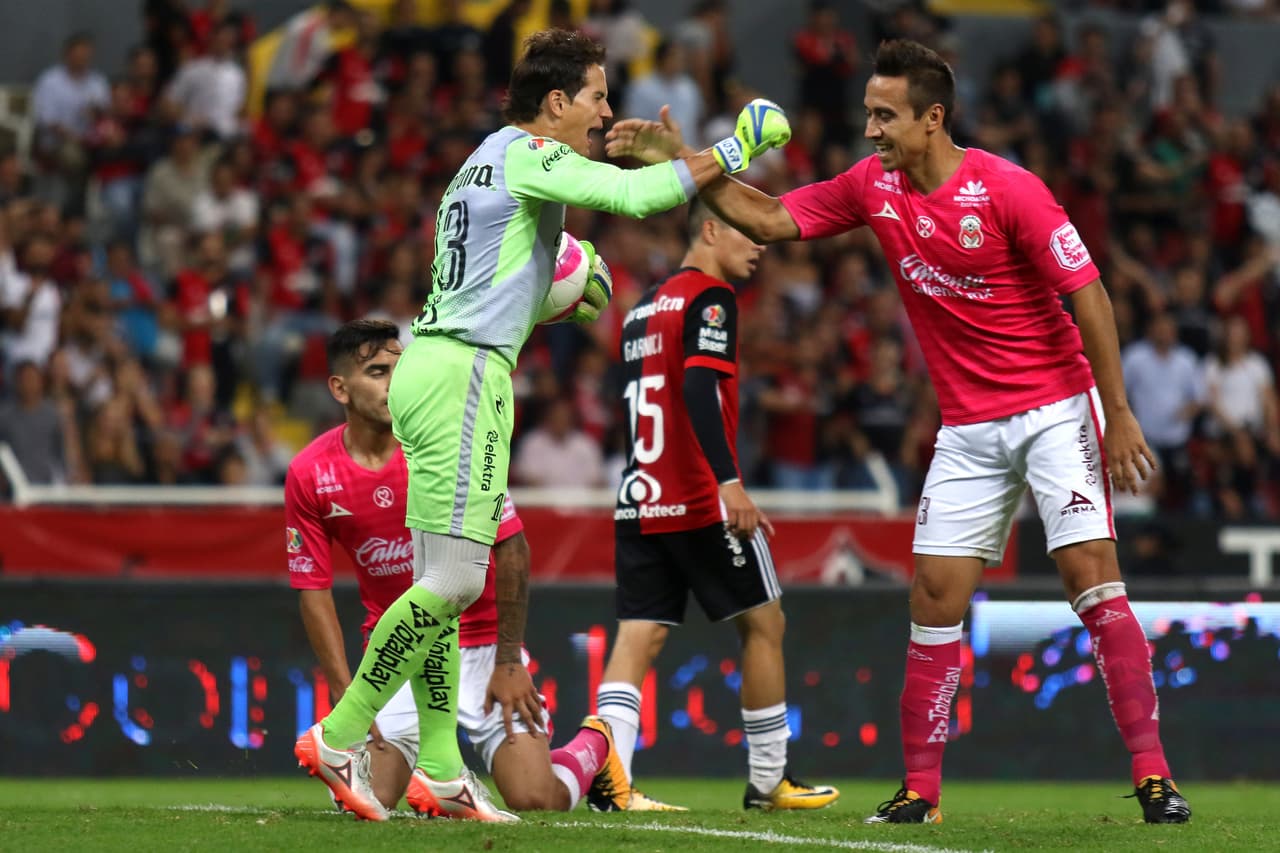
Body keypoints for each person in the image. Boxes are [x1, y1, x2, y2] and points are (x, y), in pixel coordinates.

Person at [605, 39, 1192, 825]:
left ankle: (1155, 775)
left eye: (885, 115)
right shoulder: (872, 186)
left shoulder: (1009, 189)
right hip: (968, 425)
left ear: (933, 118)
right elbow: (770, 217)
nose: (872, 128)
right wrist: (684, 160)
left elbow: (1089, 295)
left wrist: (1117, 411)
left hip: (1055, 405)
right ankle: (921, 790)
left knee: (1090, 576)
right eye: (869, 113)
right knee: (933, 597)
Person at [293, 28, 792, 821]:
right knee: (456, 581)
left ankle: (446, 771)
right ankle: (339, 732)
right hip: (466, 375)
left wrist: (561, 288)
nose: (603, 112)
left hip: (434, 358)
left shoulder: (482, 160)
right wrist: (737, 146)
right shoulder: (534, 153)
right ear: (555, 103)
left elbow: (495, 284)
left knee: (438, 581)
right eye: (595, 95)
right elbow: (634, 197)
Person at [288, 319, 631, 822]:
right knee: (368, 804)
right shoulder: (310, 473)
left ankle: (593, 747)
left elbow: (512, 549)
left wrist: (510, 660)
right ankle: (408, 757)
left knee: (537, 799)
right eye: (377, 371)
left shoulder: (447, 444)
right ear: (338, 387)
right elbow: (312, 589)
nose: (393, 383)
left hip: (485, 646)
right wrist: (346, 691)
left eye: (399, 369)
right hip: (398, 655)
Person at [592, 199, 839, 813]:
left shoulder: (640, 309)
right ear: (709, 229)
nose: (761, 243)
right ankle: (768, 780)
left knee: (637, 639)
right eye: (749, 231)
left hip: (638, 494)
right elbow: (699, 387)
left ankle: (612, 779)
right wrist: (728, 482)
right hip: (699, 498)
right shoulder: (711, 298)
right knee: (764, 622)